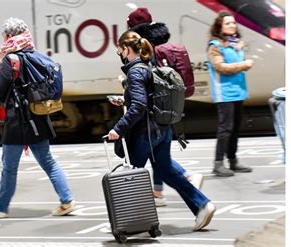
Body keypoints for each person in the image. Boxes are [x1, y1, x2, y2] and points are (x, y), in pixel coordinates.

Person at [108, 30, 215, 231]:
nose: (120, 55)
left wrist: (118, 128)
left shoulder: (135, 71)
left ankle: (130, 223)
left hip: (144, 134)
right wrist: (124, 99)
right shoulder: (149, 65)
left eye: (119, 51)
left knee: (133, 177)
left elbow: (139, 106)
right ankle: (202, 205)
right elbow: (147, 99)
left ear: (125, 49)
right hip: (162, 131)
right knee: (167, 171)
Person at [0, 17, 76, 218]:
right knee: (48, 162)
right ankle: (67, 200)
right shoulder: (32, 54)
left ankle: (0, 207)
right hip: (38, 116)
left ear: (8, 36)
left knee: (9, 167)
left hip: (18, 122)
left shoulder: (11, 59)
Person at [124, 7, 203, 206]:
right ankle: (175, 196)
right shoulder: (160, 44)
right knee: (160, 161)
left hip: (150, 118)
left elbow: (143, 92)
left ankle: (186, 179)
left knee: (136, 169)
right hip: (167, 108)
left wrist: (119, 127)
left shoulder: (144, 51)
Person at [207, 11, 254, 176]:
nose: (232, 25)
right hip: (224, 93)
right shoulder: (215, 45)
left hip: (238, 92)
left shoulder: (236, 44)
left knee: (235, 128)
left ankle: (233, 160)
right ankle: (218, 163)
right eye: (228, 23)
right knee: (225, 128)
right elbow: (220, 67)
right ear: (219, 27)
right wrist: (243, 65)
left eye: (233, 23)